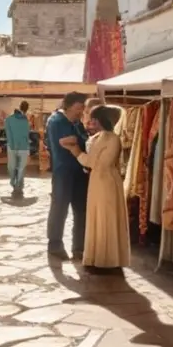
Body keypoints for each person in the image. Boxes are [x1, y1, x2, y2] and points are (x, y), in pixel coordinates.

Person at [61, 105, 131, 272]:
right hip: (97, 181)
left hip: (107, 182)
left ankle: (107, 260)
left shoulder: (112, 139)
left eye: (94, 118)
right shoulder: (98, 137)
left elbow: (97, 163)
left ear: (101, 120)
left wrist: (75, 150)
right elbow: (92, 161)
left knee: (106, 218)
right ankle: (96, 258)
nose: (91, 121)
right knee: (97, 218)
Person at [45, 92, 89, 260]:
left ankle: (79, 247)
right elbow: (68, 141)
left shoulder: (76, 122)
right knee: (59, 209)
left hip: (79, 171)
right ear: (70, 105)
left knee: (81, 210)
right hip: (63, 172)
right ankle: (55, 244)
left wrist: (77, 140)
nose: (82, 110)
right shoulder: (57, 121)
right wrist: (79, 141)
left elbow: (80, 140)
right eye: (80, 107)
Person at [4, 101, 31, 199]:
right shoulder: (25, 120)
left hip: (13, 147)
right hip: (22, 146)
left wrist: (12, 144)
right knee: (20, 168)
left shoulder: (8, 120)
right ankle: (17, 186)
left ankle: (15, 184)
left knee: (12, 167)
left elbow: (8, 134)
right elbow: (26, 134)